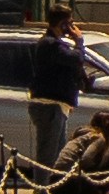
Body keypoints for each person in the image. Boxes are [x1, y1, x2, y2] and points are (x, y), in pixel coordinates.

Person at [28, 10, 93, 175]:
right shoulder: (50, 44)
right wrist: (79, 41)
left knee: (59, 158)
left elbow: (74, 66)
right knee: (47, 156)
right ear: (62, 24)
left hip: (59, 106)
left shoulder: (58, 45)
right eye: (69, 24)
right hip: (49, 106)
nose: (72, 28)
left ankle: (53, 192)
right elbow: (76, 59)